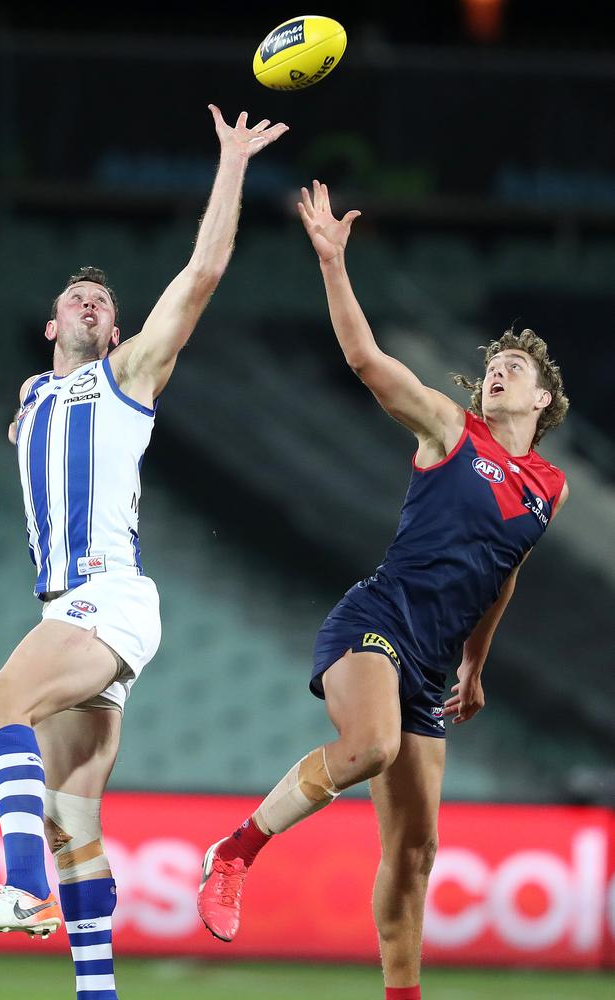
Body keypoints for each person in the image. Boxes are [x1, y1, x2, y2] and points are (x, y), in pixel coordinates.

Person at [197, 180, 570, 1000]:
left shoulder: (549, 487)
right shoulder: (449, 427)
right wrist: (333, 262)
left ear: (543, 401)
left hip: (434, 663)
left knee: (415, 854)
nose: (499, 372)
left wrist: (475, 666)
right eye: (495, 367)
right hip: (376, 621)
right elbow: (367, 360)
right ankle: (235, 853)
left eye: (517, 370)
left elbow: (500, 575)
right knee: (374, 747)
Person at [0, 105, 288, 1000]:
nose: (90, 298)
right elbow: (26, 430)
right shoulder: (31, 396)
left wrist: (230, 164)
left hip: (104, 596)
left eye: (102, 301)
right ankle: (97, 992)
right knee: (74, 819)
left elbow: (205, 269)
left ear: (114, 333)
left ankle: (23, 889)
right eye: (74, 294)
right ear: (49, 325)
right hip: (66, 605)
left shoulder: (126, 377)